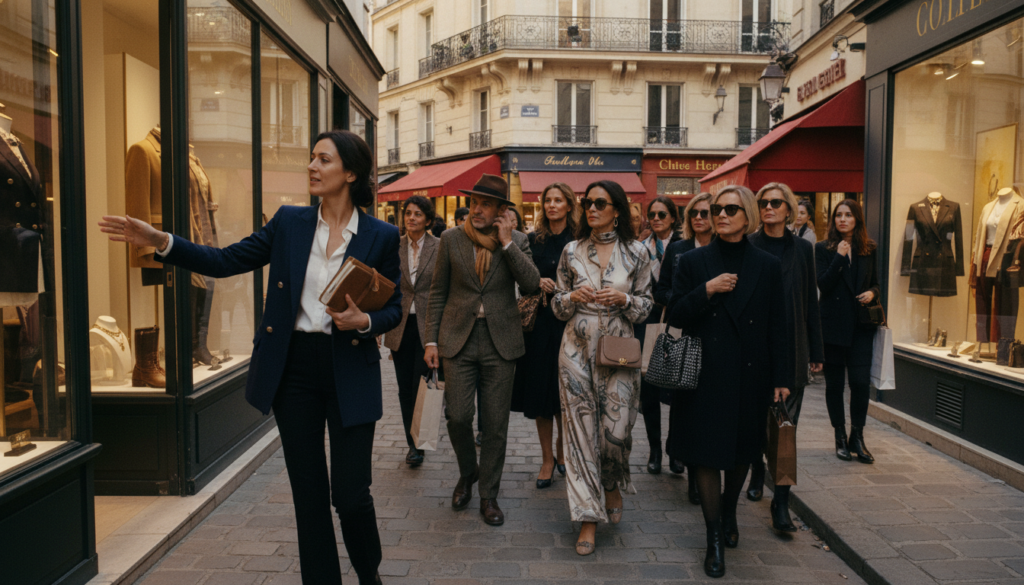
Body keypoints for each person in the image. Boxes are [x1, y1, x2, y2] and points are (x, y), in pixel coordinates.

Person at [99, 130, 400, 585]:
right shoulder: (289, 223)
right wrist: (163, 240)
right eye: (311, 158)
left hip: (350, 367)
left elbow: (395, 305)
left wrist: (366, 323)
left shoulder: (382, 235)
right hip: (293, 370)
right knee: (310, 496)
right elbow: (225, 259)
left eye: (324, 159)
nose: (312, 167)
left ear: (351, 173)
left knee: (351, 495)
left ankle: (368, 573)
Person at [666, 185, 792, 578]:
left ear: (748, 215)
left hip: (749, 375)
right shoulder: (693, 260)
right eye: (716, 209)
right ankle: (713, 536)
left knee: (742, 453)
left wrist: (783, 376)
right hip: (704, 374)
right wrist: (707, 289)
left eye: (731, 209)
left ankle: (729, 508)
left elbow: (779, 323)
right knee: (704, 454)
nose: (721, 215)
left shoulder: (767, 265)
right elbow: (677, 315)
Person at [423, 174, 540, 526]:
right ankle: (467, 472)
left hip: (500, 342)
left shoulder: (517, 240)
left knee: (495, 425)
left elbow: (532, 283)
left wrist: (506, 244)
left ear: (502, 211)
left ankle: (489, 494)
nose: (476, 209)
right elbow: (437, 292)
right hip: (457, 339)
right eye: (474, 202)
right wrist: (431, 341)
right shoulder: (451, 239)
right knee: (457, 417)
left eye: (485, 204)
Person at [551, 180, 653, 556]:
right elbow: (557, 305)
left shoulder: (637, 252)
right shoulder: (571, 251)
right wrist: (570, 297)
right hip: (575, 351)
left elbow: (647, 305)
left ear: (617, 210)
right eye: (587, 202)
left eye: (600, 202)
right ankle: (587, 518)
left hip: (620, 353)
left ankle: (612, 481)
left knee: (615, 435)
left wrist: (624, 298)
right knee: (579, 438)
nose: (591, 208)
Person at [746, 183, 824, 532]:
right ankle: (754, 470)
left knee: (785, 430)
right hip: (754, 351)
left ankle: (781, 501)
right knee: (755, 425)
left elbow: (811, 303)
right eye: (763, 202)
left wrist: (817, 352)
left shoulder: (803, 250)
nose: (768, 207)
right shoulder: (748, 245)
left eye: (775, 203)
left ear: (789, 209)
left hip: (792, 351)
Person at [511, 182, 579, 488]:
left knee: (566, 392)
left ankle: (564, 455)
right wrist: (538, 281)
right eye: (547, 200)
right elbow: (522, 277)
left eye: (558, 200)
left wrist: (565, 289)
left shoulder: (579, 239)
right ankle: (547, 459)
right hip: (539, 324)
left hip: (571, 324)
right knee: (541, 394)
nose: (552, 205)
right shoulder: (532, 239)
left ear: (568, 205)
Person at [654, 192, 715, 504]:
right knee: (683, 402)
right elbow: (661, 288)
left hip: (716, 338)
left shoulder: (724, 249)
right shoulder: (679, 249)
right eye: (694, 213)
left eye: (705, 213)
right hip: (683, 333)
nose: (699, 218)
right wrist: (684, 300)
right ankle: (684, 461)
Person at [816, 199, 879, 465]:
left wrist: (873, 292)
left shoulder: (869, 248)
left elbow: (877, 282)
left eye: (848, 215)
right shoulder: (823, 248)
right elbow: (823, 284)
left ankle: (858, 436)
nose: (842, 219)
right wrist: (839, 257)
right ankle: (840, 436)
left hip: (861, 327)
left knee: (860, 383)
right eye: (838, 215)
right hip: (832, 326)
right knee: (834, 385)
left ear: (857, 219)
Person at [384, 195, 439, 468]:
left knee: (425, 386)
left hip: (429, 327)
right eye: (408, 213)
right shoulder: (394, 246)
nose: (411, 218)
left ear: (428, 220)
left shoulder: (439, 247)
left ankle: (421, 442)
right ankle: (411, 443)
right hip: (400, 326)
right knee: (405, 388)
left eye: (418, 214)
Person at [635, 196, 681, 475]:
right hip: (648, 321)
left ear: (673, 217)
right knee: (649, 389)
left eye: (662, 214)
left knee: (676, 388)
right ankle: (654, 450)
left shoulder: (683, 245)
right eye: (652, 214)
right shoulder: (641, 248)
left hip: (676, 320)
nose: (656, 219)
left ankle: (674, 450)